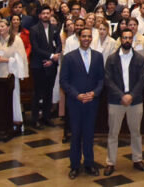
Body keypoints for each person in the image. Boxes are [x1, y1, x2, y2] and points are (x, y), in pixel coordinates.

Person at [59, 27, 105, 179]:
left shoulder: (98, 57)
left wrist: (94, 93)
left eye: (89, 36)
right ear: (79, 38)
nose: (86, 38)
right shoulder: (69, 57)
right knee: (76, 134)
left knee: (89, 134)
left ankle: (89, 164)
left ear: (92, 38)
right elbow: (64, 81)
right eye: (83, 36)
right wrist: (77, 95)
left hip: (92, 101)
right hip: (75, 102)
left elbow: (101, 79)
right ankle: (74, 165)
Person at [103, 28, 144, 175]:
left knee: (136, 132)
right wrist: (122, 95)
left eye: (130, 38)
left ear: (132, 40)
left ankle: (137, 159)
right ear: (120, 40)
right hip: (116, 101)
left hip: (135, 101)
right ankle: (110, 162)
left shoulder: (139, 59)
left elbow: (142, 80)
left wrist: (131, 96)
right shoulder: (111, 59)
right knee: (113, 133)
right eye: (125, 38)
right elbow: (108, 80)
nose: (127, 40)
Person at [0, 18, 28, 129]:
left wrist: (7, 60)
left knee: (10, 99)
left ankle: (13, 122)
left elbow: (20, 59)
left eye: (3, 26)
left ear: (8, 27)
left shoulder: (16, 40)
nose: (0, 28)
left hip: (9, 75)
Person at [28, 5, 62, 128]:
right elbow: (36, 48)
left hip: (51, 65)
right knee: (38, 93)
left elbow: (58, 44)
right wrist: (51, 56)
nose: (46, 15)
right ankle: (35, 119)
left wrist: (53, 59)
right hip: (39, 65)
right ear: (39, 15)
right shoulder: (34, 29)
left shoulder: (54, 28)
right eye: (43, 13)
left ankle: (46, 117)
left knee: (49, 92)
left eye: (48, 13)